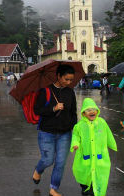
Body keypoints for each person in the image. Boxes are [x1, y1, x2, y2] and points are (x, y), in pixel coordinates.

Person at [32, 64, 77, 196]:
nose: (69, 82)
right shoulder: (45, 91)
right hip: (47, 132)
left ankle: (53, 188)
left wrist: (73, 127)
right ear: (58, 76)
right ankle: (38, 170)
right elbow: (37, 110)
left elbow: (73, 113)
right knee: (48, 160)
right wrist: (54, 108)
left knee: (60, 163)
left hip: (65, 134)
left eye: (71, 80)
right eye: (66, 79)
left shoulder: (70, 92)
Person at [71, 98, 117, 196]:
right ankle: (85, 188)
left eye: (93, 109)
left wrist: (112, 144)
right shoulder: (79, 126)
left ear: (97, 111)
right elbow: (75, 135)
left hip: (99, 158)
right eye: (88, 110)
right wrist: (75, 144)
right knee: (84, 177)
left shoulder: (102, 123)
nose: (92, 112)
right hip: (86, 158)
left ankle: (92, 191)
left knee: (98, 179)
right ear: (83, 113)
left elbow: (108, 133)